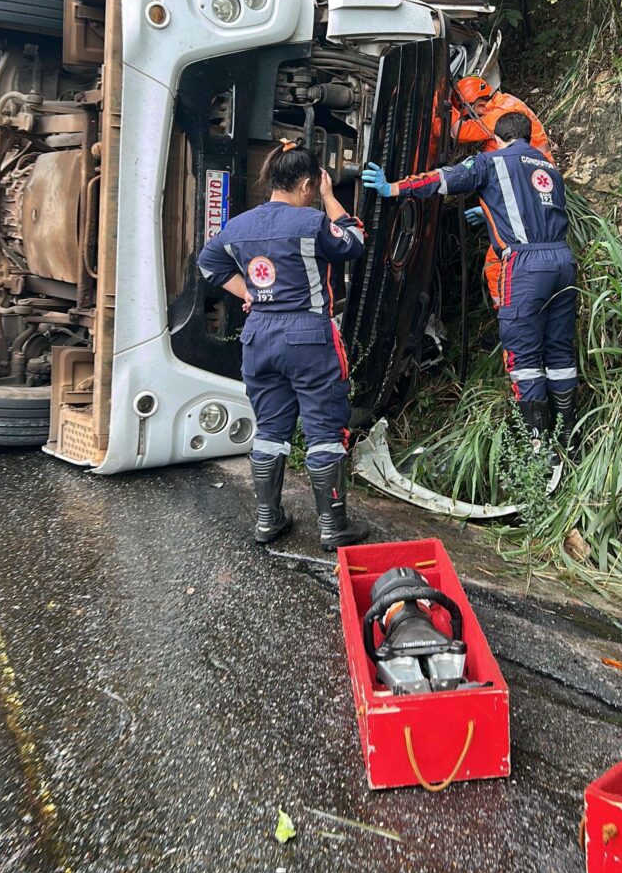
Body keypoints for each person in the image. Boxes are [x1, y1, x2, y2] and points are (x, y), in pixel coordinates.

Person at [361, 113, 578, 453]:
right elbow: (533, 207)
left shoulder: (491, 161)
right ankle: (568, 437)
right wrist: (490, 211)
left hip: (525, 267)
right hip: (563, 262)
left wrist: (392, 188)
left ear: (497, 137)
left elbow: (442, 179)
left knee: (523, 355)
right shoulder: (548, 167)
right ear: (527, 136)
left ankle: (540, 450)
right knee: (560, 350)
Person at [197, 141, 370, 549]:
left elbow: (208, 264)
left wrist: (248, 292)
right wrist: (331, 197)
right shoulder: (311, 222)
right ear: (308, 184)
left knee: (271, 430)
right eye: (314, 188)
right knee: (324, 430)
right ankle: (332, 527)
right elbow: (353, 242)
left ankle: (267, 520)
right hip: (308, 337)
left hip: (259, 337)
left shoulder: (238, 226)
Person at [452, 75, 555, 312]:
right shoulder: (505, 106)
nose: (473, 118)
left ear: (479, 105)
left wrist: (444, 108)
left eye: (471, 113)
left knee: (497, 261)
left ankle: (509, 313)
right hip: (532, 190)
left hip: (529, 193)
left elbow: (459, 132)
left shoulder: (502, 114)